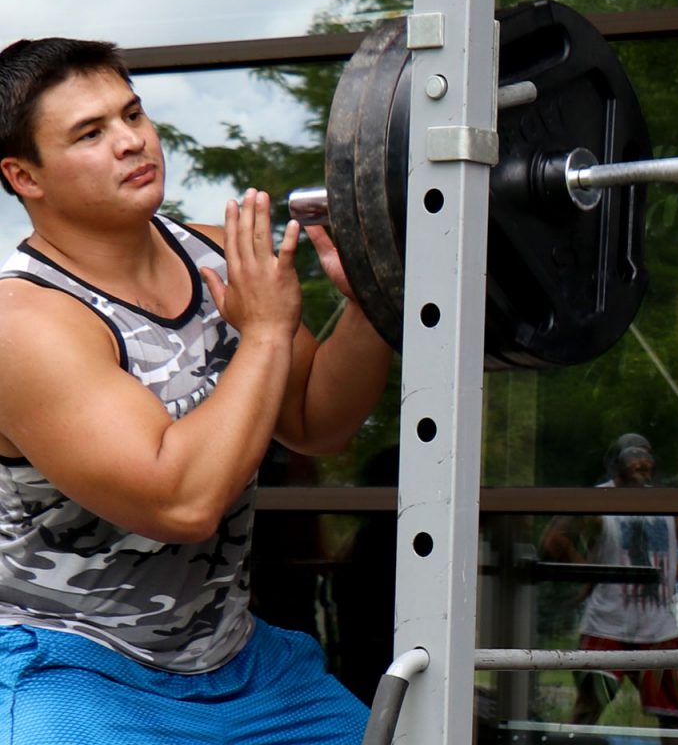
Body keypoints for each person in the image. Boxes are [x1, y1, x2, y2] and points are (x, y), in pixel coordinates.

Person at [0, 37, 393, 742]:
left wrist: (370, 303)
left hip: (238, 663)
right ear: (24, 176)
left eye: (132, 114)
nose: (131, 142)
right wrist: (267, 334)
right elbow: (181, 503)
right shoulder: (24, 323)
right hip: (72, 665)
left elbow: (315, 423)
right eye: (91, 133)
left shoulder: (214, 254)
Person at [539, 433, 678, 730]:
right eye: (634, 456)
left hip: (659, 629)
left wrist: (667, 575)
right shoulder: (599, 502)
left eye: (646, 456)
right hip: (608, 625)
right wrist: (590, 572)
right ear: (617, 465)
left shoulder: (666, 504)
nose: (643, 462)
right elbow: (555, 539)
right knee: (587, 711)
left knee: (673, 718)